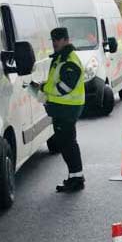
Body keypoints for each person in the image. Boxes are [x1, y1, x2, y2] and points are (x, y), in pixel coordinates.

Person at [37, 27, 86, 193]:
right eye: (53, 40)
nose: (55, 42)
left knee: (68, 144)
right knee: (66, 144)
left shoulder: (69, 60)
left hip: (67, 109)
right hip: (62, 108)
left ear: (66, 40)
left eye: (58, 39)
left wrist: (44, 88)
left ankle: (77, 179)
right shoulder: (60, 58)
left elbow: (64, 87)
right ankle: (74, 177)